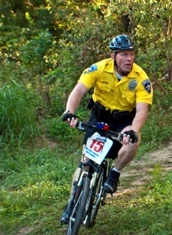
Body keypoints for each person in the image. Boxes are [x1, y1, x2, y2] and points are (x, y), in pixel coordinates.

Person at [62, 34, 153, 195]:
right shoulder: (99, 69)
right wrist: (70, 112)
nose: (129, 58)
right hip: (99, 116)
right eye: (124, 54)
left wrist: (134, 130)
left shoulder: (141, 78)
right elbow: (79, 91)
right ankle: (73, 202)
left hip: (124, 121)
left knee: (134, 141)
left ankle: (115, 173)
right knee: (86, 164)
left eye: (131, 54)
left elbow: (142, 110)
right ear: (113, 56)